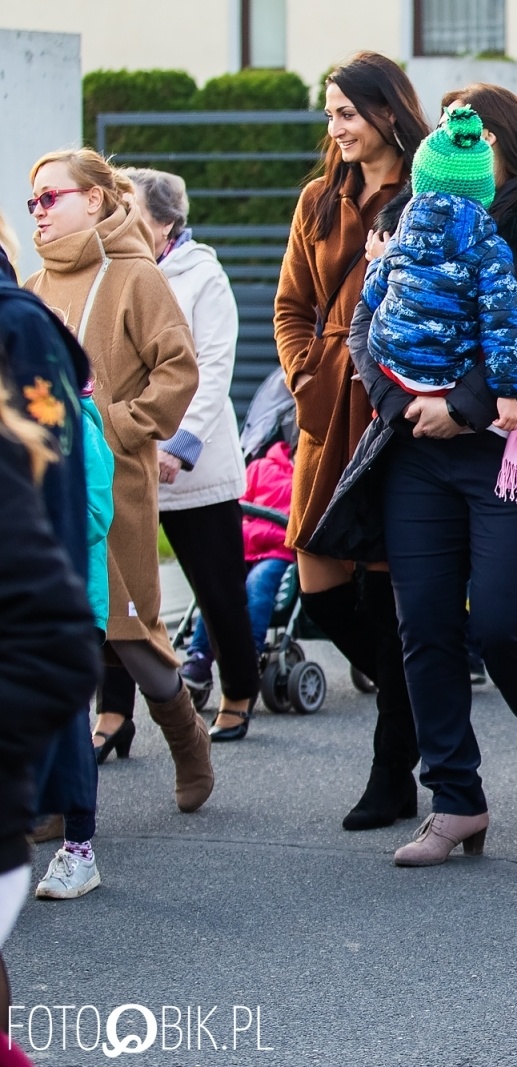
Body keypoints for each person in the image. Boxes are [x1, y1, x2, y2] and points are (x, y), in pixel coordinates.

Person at [342, 82, 517, 866]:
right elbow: (370, 319)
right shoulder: (411, 210)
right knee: (424, 625)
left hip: (511, 448)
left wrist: (463, 404)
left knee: (501, 621)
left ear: (498, 141)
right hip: (416, 452)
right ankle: (456, 799)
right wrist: (401, 402)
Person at [24, 148, 213, 815]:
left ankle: (187, 736)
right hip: (42, 493)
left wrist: (113, 424)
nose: (39, 212)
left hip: (115, 487)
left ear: (96, 199)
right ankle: (55, 799)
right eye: (33, 202)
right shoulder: (32, 286)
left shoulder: (136, 276)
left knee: (133, 639)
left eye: (52, 197)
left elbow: (178, 371)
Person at [275, 52, 430, 832]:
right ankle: (427, 708)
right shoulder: (319, 198)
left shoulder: (432, 191)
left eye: (345, 112)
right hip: (326, 408)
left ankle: (391, 769)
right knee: (321, 589)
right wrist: (308, 378)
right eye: (329, 113)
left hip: (397, 404)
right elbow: (291, 305)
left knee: (391, 591)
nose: (333, 127)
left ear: (386, 112)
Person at [363, 106, 517, 522]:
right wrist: (502, 393)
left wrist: (379, 262)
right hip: (451, 375)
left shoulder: (401, 233)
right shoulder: (489, 248)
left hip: (396, 373)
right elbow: (501, 325)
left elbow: (371, 297)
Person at [115, 167, 257, 742]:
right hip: (128, 455)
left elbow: (212, 367)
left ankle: (240, 692)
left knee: (217, 586)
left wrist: (178, 445)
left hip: (191, 463)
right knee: (119, 594)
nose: (121, 223)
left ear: (167, 222)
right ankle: (115, 714)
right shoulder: (121, 271)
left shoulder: (202, 275)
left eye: (134, 214)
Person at [0, 273, 107, 904]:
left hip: (59, 599)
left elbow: (87, 511)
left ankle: (79, 844)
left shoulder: (32, 351)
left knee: (66, 727)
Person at [186, 441, 295, 675]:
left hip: (278, 550)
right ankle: (199, 654)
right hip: (245, 546)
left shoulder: (306, 475)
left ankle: (250, 653)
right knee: (216, 585)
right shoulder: (260, 467)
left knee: (257, 584)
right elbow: (239, 503)